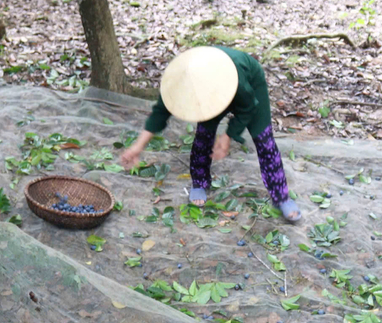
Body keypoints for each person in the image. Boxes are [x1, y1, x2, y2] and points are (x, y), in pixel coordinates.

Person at [120, 46, 301, 222]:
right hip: (208, 95)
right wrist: (137, 147)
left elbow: (249, 107)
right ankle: (199, 182)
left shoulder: (236, 80)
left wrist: (228, 135)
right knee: (204, 134)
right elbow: (160, 113)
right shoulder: (176, 82)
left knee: (264, 140)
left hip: (248, 85)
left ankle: (281, 197)